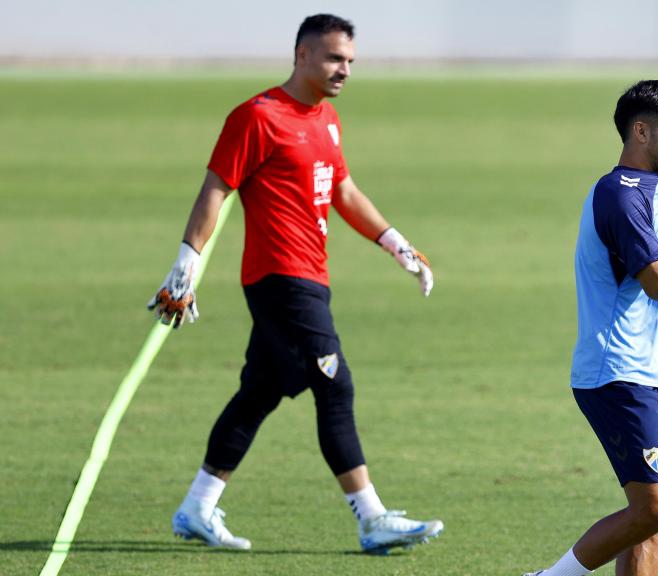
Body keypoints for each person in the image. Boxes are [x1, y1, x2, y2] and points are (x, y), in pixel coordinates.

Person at [147, 14, 442, 553]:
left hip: (311, 277)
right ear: (302, 55)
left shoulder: (326, 119)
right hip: (279, 280)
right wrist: (186, 264)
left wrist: (396, 244)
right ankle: (371, 517)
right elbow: (216, 189)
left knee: (258, 392)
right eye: (334, 58)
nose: (344, 70)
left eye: (350, 61)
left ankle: (197, 505)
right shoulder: (258, 117)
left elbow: (344, 191)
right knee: (335, 384)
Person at [524, 80, 658, 576]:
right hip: (616, 374)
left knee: (652, 522)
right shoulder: (618, 195)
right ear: (640, 130)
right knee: (653, 509)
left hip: (652, 375)